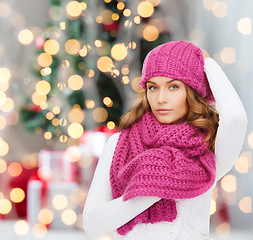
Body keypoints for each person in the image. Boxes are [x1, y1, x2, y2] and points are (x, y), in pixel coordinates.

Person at [82, 41, 248, 240]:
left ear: (193, 91)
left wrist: (208, 64)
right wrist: (150, 190)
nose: (161, 98)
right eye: (153, 87)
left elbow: (236, 119)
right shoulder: (119, 143)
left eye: (173, 87)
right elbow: (91, 223)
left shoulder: (208, 148)